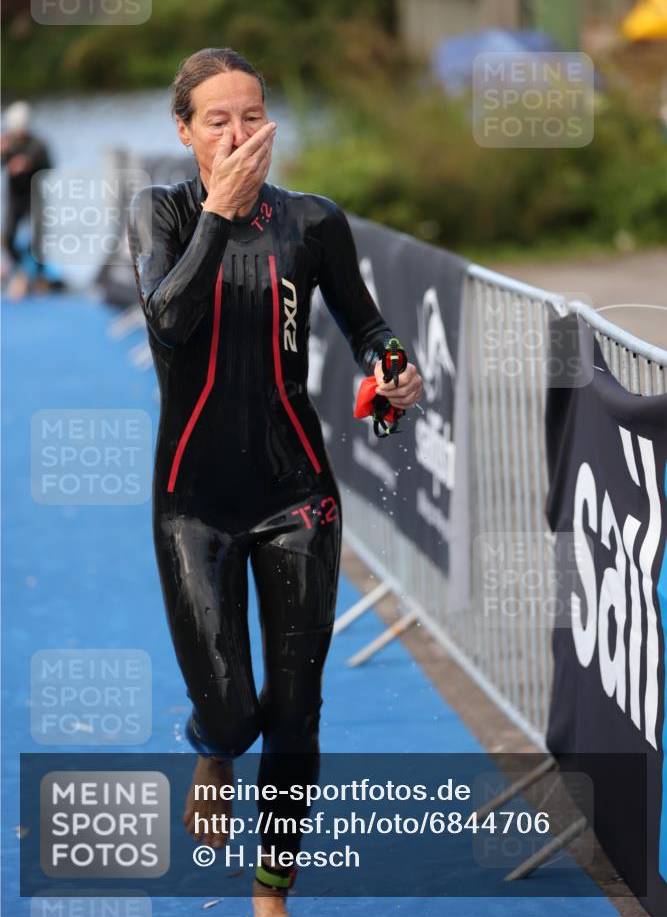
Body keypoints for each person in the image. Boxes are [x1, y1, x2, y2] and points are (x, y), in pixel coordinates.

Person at [127, 47, 423, 915]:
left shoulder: (313, 222)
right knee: (233, 716)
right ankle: (209, 749)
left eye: (251, 114)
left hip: (298, 494)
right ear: (185, 133)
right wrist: (217, 214)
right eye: (216, 119)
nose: (238, 133)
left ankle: (271, 890)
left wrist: (395, 368)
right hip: (193, 503)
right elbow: (171, 325)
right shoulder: (162, 213)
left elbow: (367, 326)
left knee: (296, 710)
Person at [1, 100, 54, 299]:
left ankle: (39, 277)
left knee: (38, 239)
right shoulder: (7, 143)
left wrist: (28, 164)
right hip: (15, 198)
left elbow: (50, 167)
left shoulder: (37, 145)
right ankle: (19, 271)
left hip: (35, 195)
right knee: (7, 237)